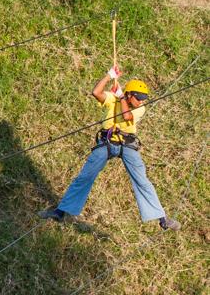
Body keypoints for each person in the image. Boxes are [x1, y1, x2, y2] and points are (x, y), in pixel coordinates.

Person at [39, 66, 180, 230]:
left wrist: (121, 97)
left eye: (143, 98)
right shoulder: (113, 99)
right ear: (129, 95)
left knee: (142, 180)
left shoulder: (140, 108)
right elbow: (96, 92)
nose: (141, 100)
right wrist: (109, 75)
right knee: (85, 176)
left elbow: (127, 116)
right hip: (107, 142)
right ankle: (60, 212)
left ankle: (162, 218)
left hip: (127, 145)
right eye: (138, 97)